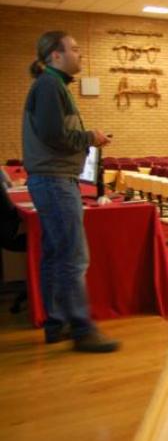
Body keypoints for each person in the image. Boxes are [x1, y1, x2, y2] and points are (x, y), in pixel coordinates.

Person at [21, 31, 118, 352]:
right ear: (55, 56)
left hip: (50, 179)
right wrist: (90, 137)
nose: (81, 54)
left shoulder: (52, 85)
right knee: (74, 258)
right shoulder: (50, 85)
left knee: (55, 254)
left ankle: (56, 322)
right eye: (75, 49)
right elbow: (55, 134)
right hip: (55, 180)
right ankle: (81, 329)